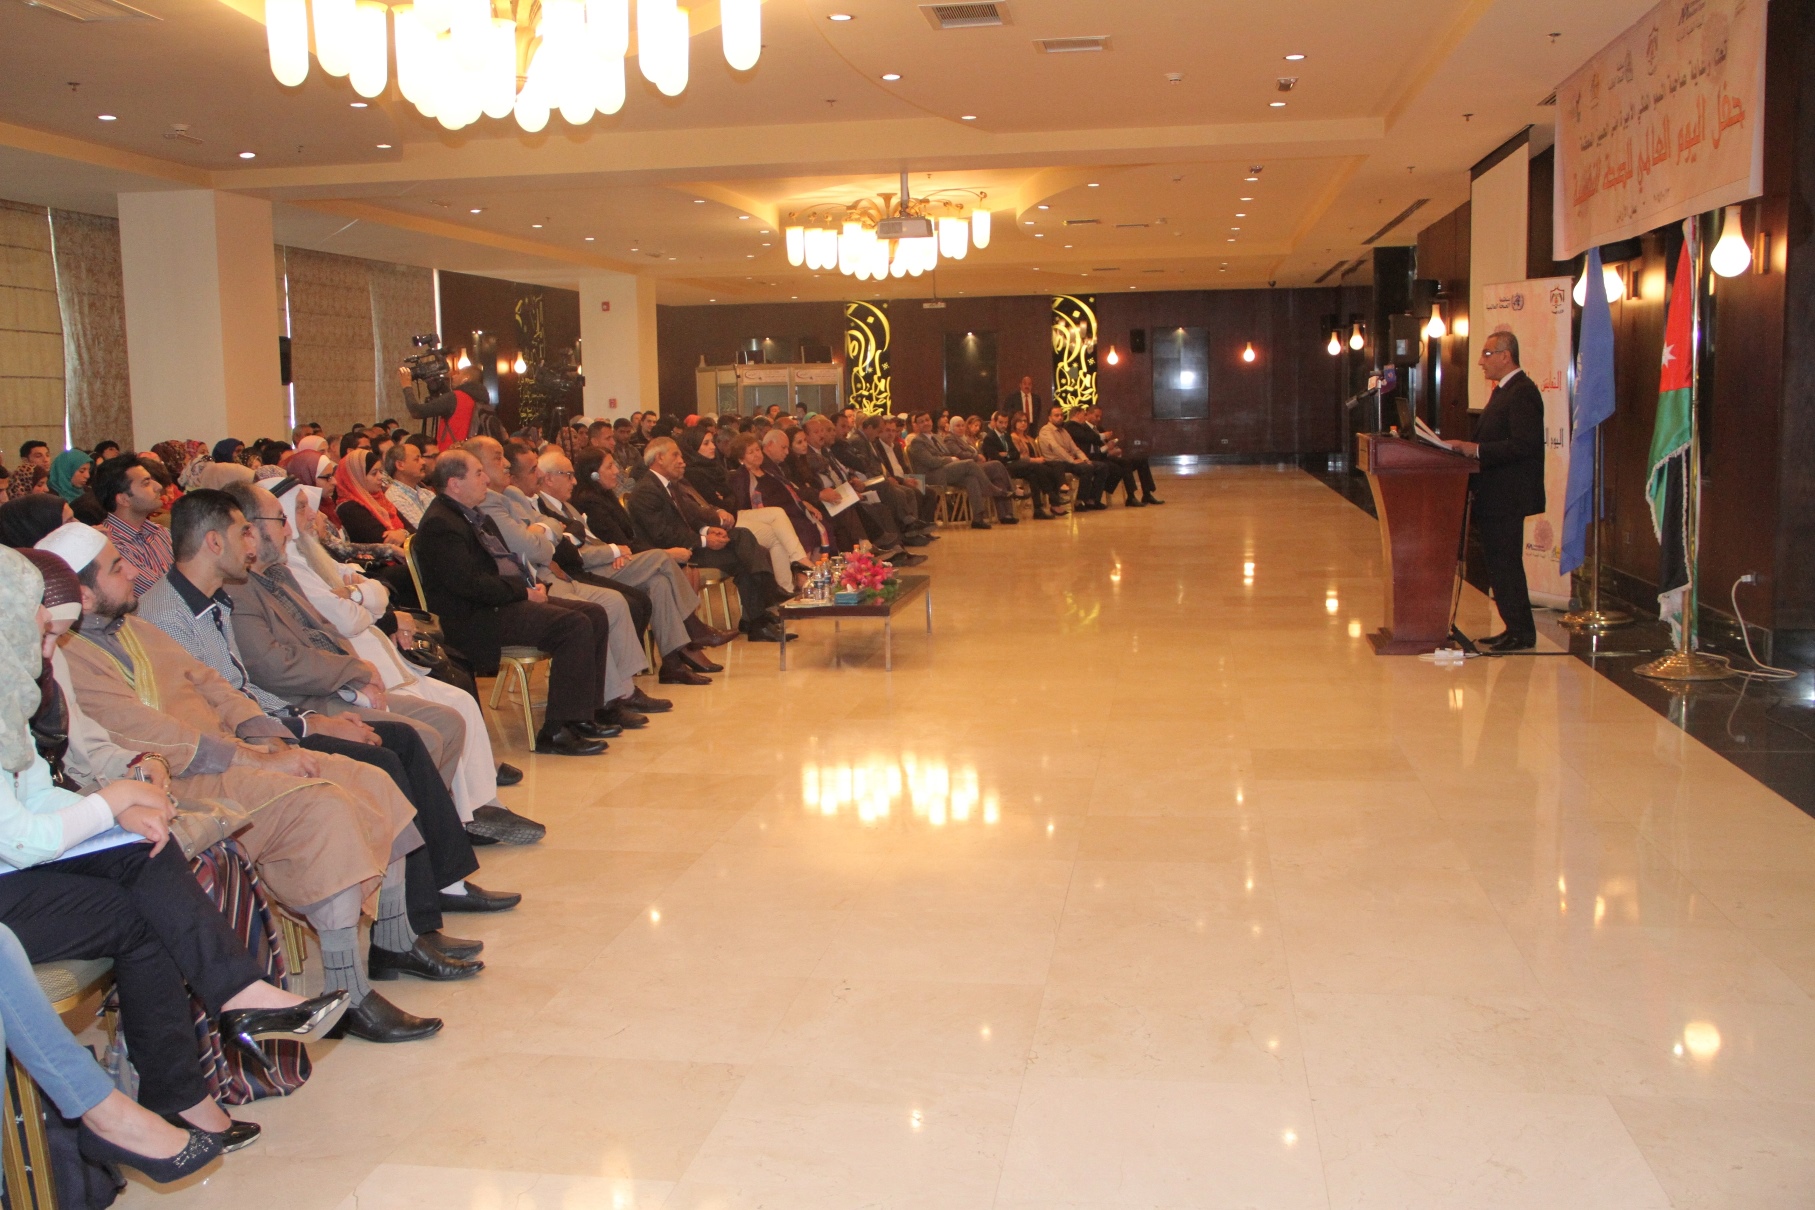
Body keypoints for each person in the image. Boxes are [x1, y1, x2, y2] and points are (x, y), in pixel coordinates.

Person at [38, 524, 446, 1044]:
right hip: (185, 777)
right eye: (118, 567)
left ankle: (395, 940)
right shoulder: (70, 658)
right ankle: (351, 996)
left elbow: (211, 683)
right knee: (324, 808)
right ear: (84, 592)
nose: (135, 572)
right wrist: (254, 758)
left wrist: (270, 735)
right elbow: (148, 734)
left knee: (371, 778)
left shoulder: (134, 627)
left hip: (236, 754)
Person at [0, 545, 350, 1150]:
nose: (48, 655)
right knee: (149, 896)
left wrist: (128, 805)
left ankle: (198, 1066)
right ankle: (206, 1054)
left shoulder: (21, 688)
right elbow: (23, 837)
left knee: (148, 858)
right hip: (13, 883)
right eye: (39, 638)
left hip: (24, 864)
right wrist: (112, 801)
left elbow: (36, 799)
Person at [412, 451, 614, 756]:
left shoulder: (473, 514)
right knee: (573, 625)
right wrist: (521, 591)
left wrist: (533, 586)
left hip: (501, 600)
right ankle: (556, 731)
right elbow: (470, 585)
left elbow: (508, 563)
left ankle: (582, 715)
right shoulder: (441, 525)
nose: (486, 479)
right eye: (478, 473)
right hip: (474, 617)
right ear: (454, 483)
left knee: (594, 613)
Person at [466, 438, 661, 727]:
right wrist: (544, 537)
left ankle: (624, 690)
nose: (504, 464)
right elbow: (534, 547)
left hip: (553, 571)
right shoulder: (489, 504)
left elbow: (550, 528)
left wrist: (543, 533)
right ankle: (602, 701)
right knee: (594, 610)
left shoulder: (512, 496)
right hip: (535, 581)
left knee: (616, 601)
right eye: (497, 459)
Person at [537, 449, 732, 682]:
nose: (574, 480)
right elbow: (574, 554)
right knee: (662, 558)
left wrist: (613, 551)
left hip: (608, 560)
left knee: (659, 582)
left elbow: (602, 540)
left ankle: (671, 664)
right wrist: (613, 551)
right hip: (588, 570)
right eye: (567, 475)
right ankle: (693, 626)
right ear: (549, 478)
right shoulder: (557, 507)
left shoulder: (568, 506)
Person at [629, 438, 793, 642]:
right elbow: (662, 535)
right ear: (659, 458)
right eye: (676, 455)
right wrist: (704, 540)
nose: (683, 461)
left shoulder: (671, 485)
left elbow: (691, 518)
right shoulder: (647, 490)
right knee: (747, 557)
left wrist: (709, 530)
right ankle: (761, 611)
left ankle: (759, 615)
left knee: (742, 536)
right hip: (675, 552)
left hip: (693, 543)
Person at [1445, 330, 1545, 651]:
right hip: (1494, 495)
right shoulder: (1503, 391)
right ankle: (1513, 627)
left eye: (1487, 354)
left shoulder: (1523, 393)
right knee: (1500, 565)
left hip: (1508, 496)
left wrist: (1476, 450)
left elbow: (1523, 445)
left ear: (1506, 356)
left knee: (1506, 565)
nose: (1481, 361)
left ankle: (1521, 632)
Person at [905, 410, 1005, 529]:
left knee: (971, 478)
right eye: (921, 422)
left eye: (927, 420)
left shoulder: (936, 437)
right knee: (969, 463)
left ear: (931, 421)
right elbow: (931, 462)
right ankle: (992, 489)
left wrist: (948, 458)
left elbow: (944, 454)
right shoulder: (917, 442)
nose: (925, 423)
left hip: (945, 470)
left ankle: (978, 518)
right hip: (932, 474)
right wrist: (950, 459)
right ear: (916, 425)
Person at [93, 453, 175, 594]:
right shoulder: (111, 545)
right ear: (124, 499)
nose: (158, 487)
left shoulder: (160, 532)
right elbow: (162, 593)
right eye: (146, 483)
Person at [1066, 404, 1161, 506]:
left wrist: (1113, 448)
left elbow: (1106, 444)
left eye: (1100, 417)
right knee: (1123, 465)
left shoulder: (1099, 428)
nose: (1098, 419)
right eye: (1096, 416)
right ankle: (1130, 496)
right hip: (1096, 458)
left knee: (1140, 459)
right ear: (1087, 414)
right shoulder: (1082, 429)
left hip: (1105, 456)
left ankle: (1146, 493)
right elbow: (1091, 449)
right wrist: (1107, 449)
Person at [981, 411, 1065, 519]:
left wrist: (1006, 454)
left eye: (1005, 423)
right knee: (1036, 467)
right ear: (995, 422)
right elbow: (996, 457)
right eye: (1001, 422)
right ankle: (1053, 497)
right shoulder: (989, 438)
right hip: (1003, 468)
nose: (1003, 425)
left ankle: (1038, 509)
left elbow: (1015, 454)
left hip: (1014, 464)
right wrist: (1007, 455)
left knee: (1034, 475)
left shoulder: (1006, 436)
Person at [1037, 405, 1112, 510]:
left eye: (1061, 415)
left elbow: (1074, 448)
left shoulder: (1064, 431)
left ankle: (1092, 500)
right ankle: (1079, 501)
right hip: (1056, 462)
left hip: (1068, 461)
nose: (1060, 417)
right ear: (1049, 418)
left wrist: (1085, 459)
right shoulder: (1045, 431)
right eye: (1056, 415)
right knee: (1087, 468)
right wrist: (1072, 460)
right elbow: (1056, 448)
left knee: (1101, 467)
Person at [334, 449, 411, 545]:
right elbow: (382, 540)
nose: (380, 477)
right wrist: (405, 534)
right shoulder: (349, 508)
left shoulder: (380, 499)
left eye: (380, 471)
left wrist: (403, 533)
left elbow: (412, 529)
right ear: (357, 478)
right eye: (374, 473)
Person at [382, 438, 434, 529]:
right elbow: (421, 530)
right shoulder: (394, 497)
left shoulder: (427, 494)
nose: (423, 462)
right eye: (417, 459)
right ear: (400, 465)